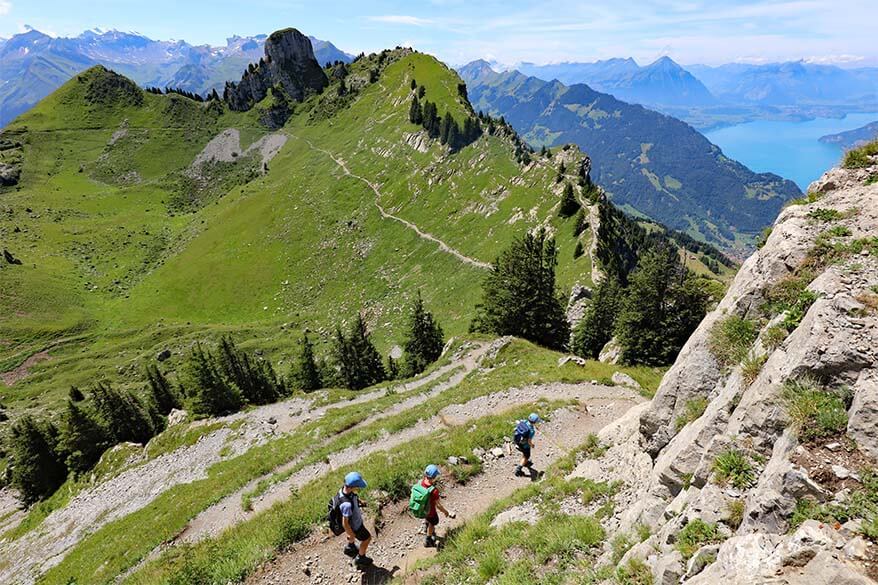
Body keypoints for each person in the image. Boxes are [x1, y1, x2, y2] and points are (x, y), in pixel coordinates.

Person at [338, 471, 373, 568]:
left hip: (353, 524)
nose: (358, 488)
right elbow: (345, 523)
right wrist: (351, 534)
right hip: (356, 526)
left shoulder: (343, 491)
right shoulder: (347, 505)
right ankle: (361, 558)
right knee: (367, 539)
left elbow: (354, 497)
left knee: (352, 537)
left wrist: (360, 502)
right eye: (357, 486)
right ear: (352, 487)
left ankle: (350, 547)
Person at [419, 464, 455, 547]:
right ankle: (428, 540)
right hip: (431, 511)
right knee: (433, 523)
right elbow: (438, 505)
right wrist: (445, 512)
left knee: (428, 519)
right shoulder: (434, 491)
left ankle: (426, 526)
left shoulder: (422, 482)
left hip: (423, 509)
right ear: (434, 476)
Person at [513, 412, 542, 477]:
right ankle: (518, 470)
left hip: (517, 440)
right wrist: (532, 445)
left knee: (524, 452)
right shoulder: (531, 431)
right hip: (525, 445)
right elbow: (529, 441)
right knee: (527, 456)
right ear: (534, 422)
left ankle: (525, 462)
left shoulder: (524, 421)